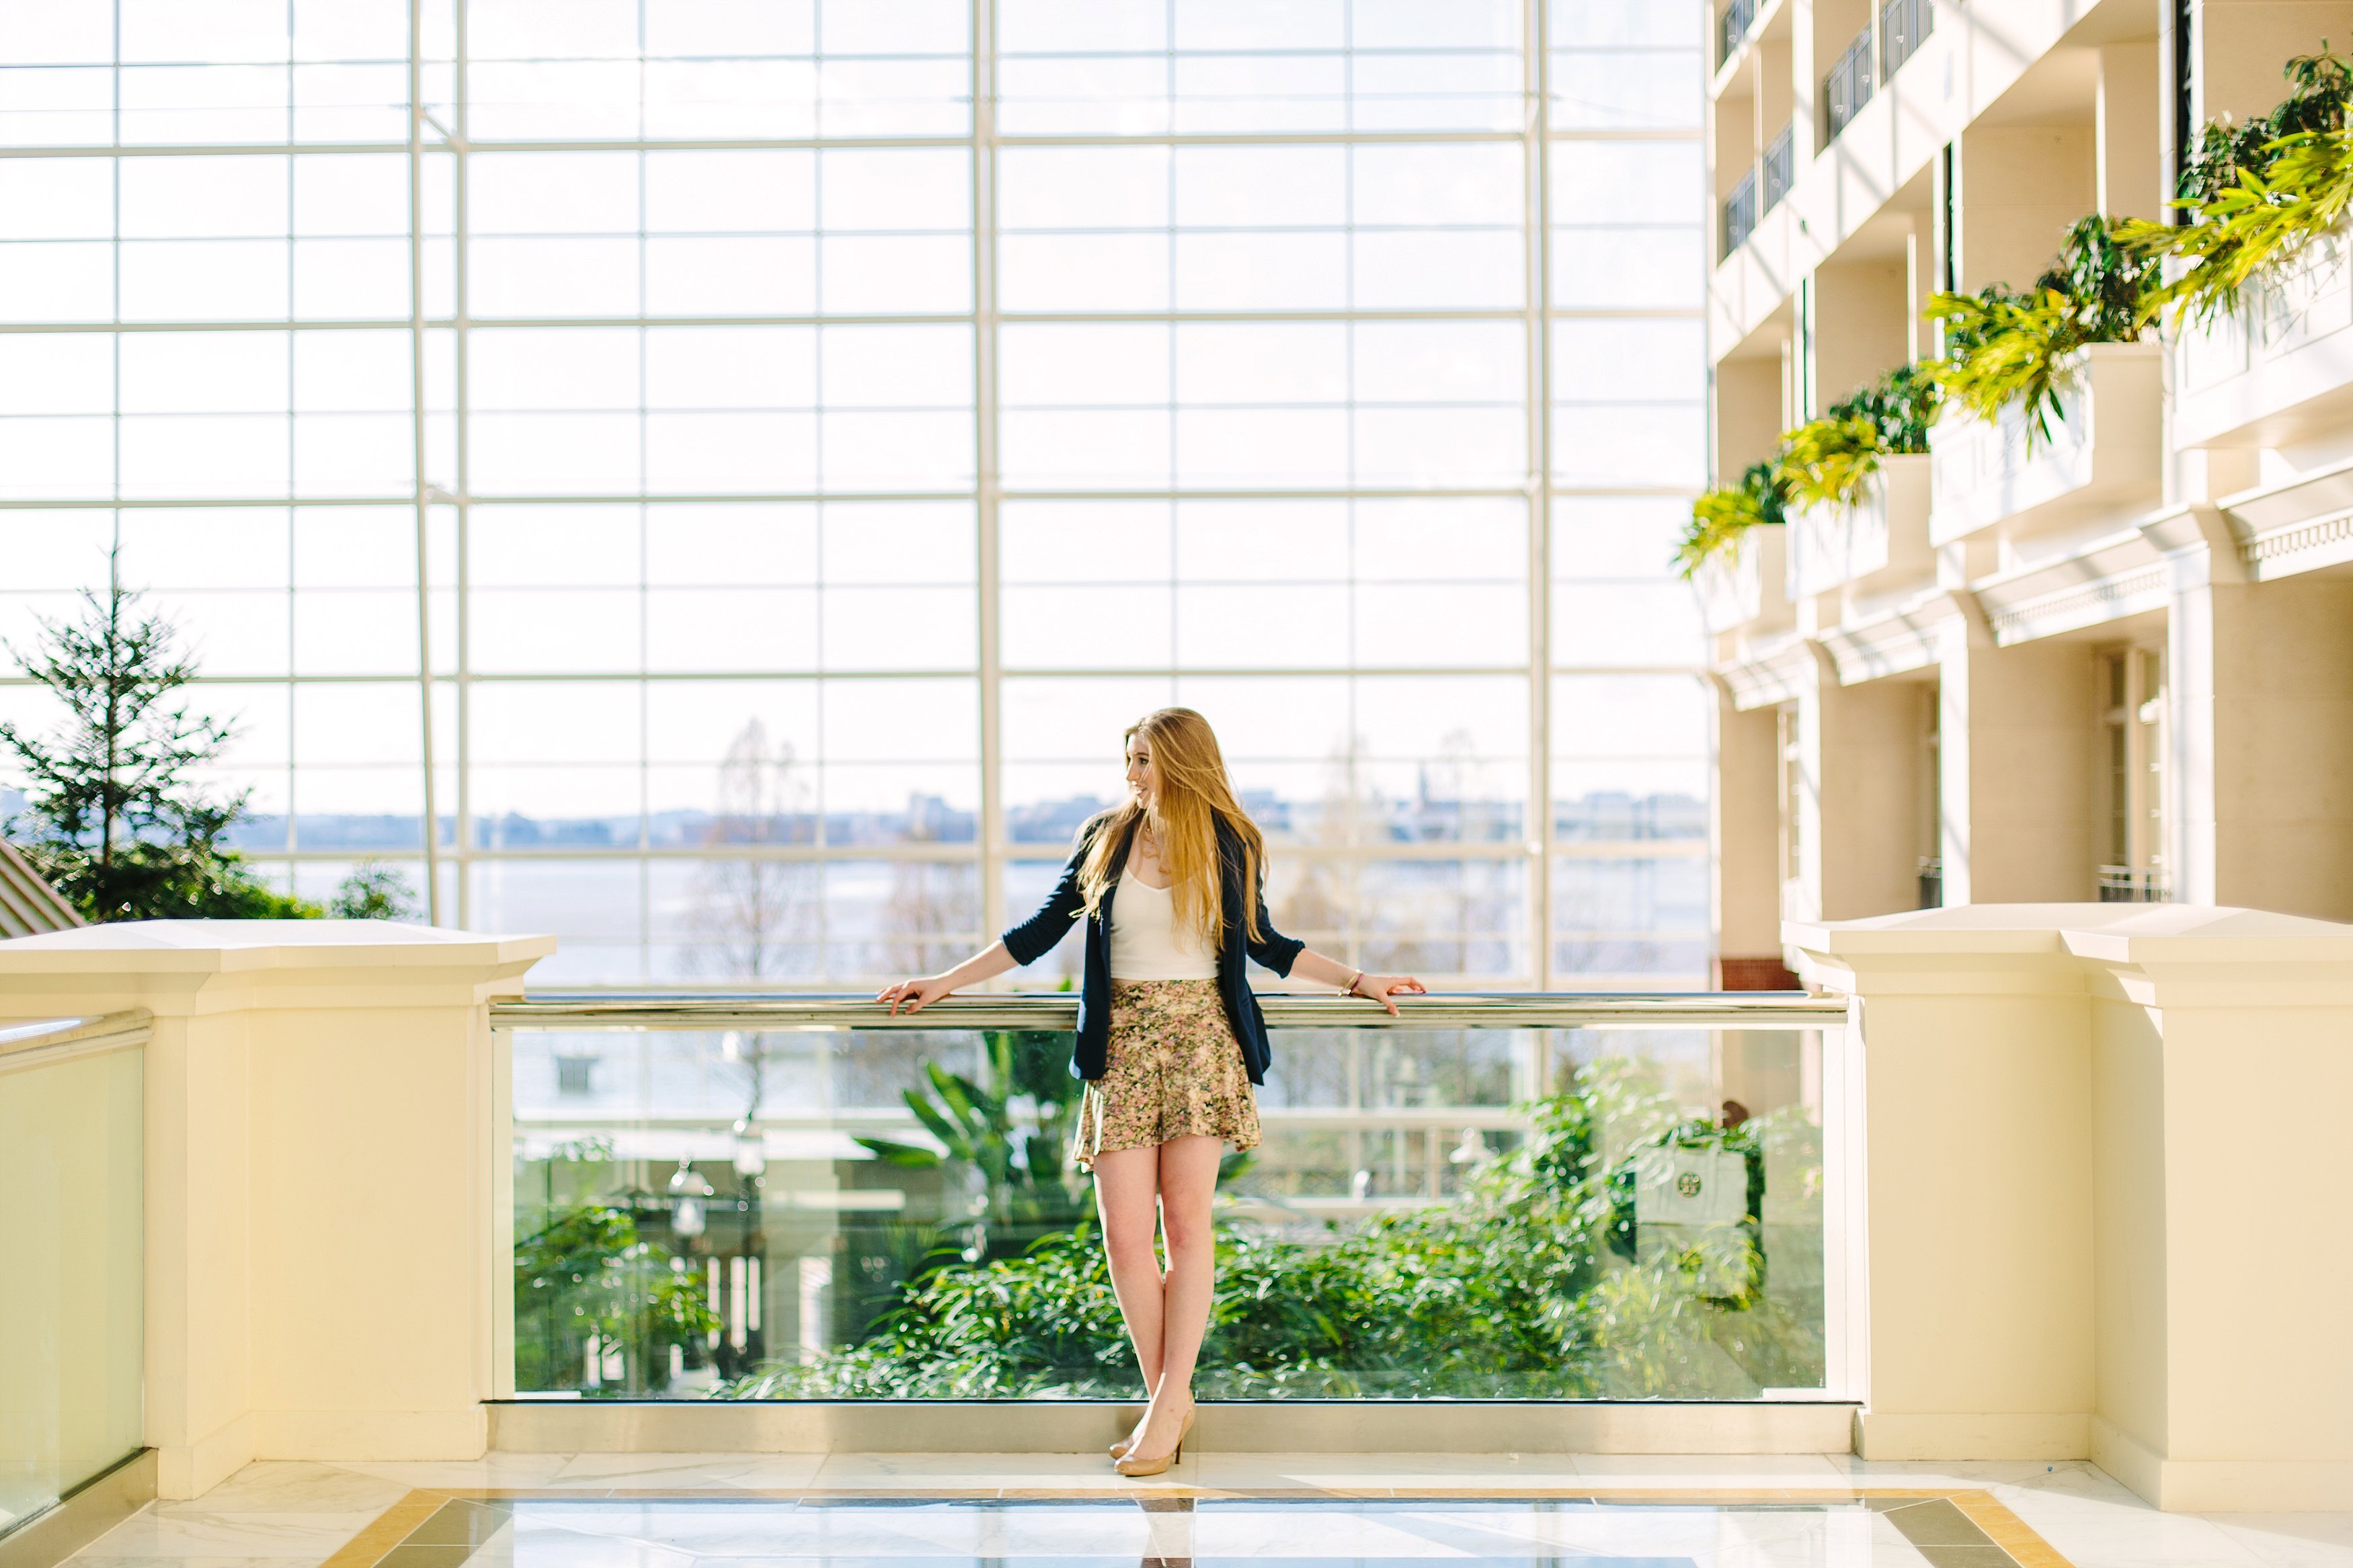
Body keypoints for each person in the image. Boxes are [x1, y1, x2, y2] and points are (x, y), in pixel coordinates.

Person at [876, 706, 1426, 1477]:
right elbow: (1038, 931)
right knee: (1126, 1237)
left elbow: (1264, 943)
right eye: (1127, 758)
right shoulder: (1106, 833)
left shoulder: (1229, 841)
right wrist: (943, 982)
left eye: (1141, 759)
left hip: (1202, 1038)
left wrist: (1358, 980)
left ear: (1179, 760)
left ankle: (1167, 1406)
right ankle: (1168, 1394)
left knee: (1187, 1226)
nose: (1130, 774)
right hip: (1121, 1042)